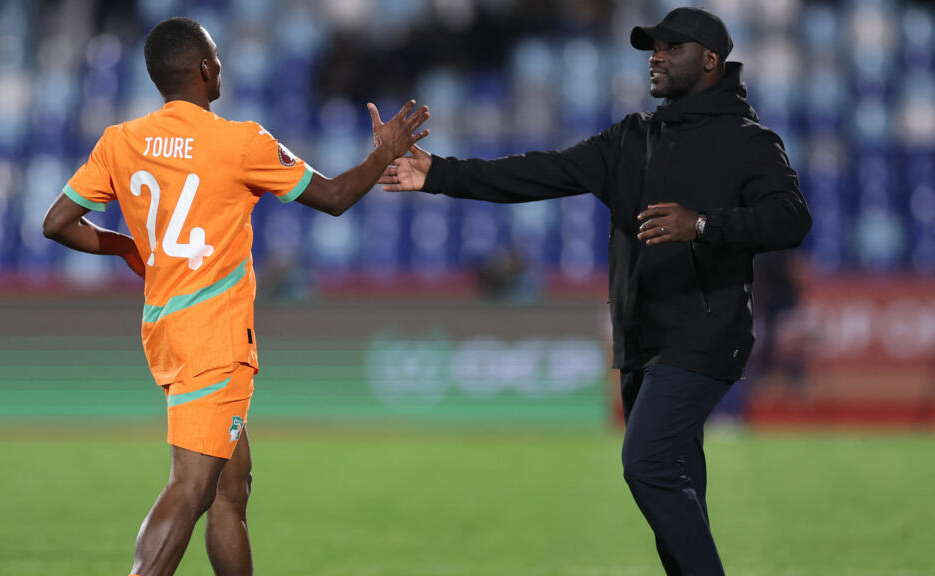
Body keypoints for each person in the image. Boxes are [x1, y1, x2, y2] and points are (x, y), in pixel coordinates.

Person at [381, 7, 811, 575]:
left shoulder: (749, 142)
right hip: (641, 340)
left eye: (670, 48)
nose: (655, 57)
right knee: (676, 494)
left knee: (648, 465)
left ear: (710, 60)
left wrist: (703, 224)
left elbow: (791, 219)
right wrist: (437, 174)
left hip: (705, 335)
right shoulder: (633, 138)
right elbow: (540, 172)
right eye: (652, 48)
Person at [42, 17, 428, 576]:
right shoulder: (241, 141)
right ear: (204, 69)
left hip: (165, 329)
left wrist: (128, 248)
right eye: (217, 57)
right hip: (214, 339)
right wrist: (384, 152)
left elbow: (57, 223)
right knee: (192, 487)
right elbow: (335, 196)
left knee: (230, 487)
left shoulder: (120, 141)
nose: (221, 65)